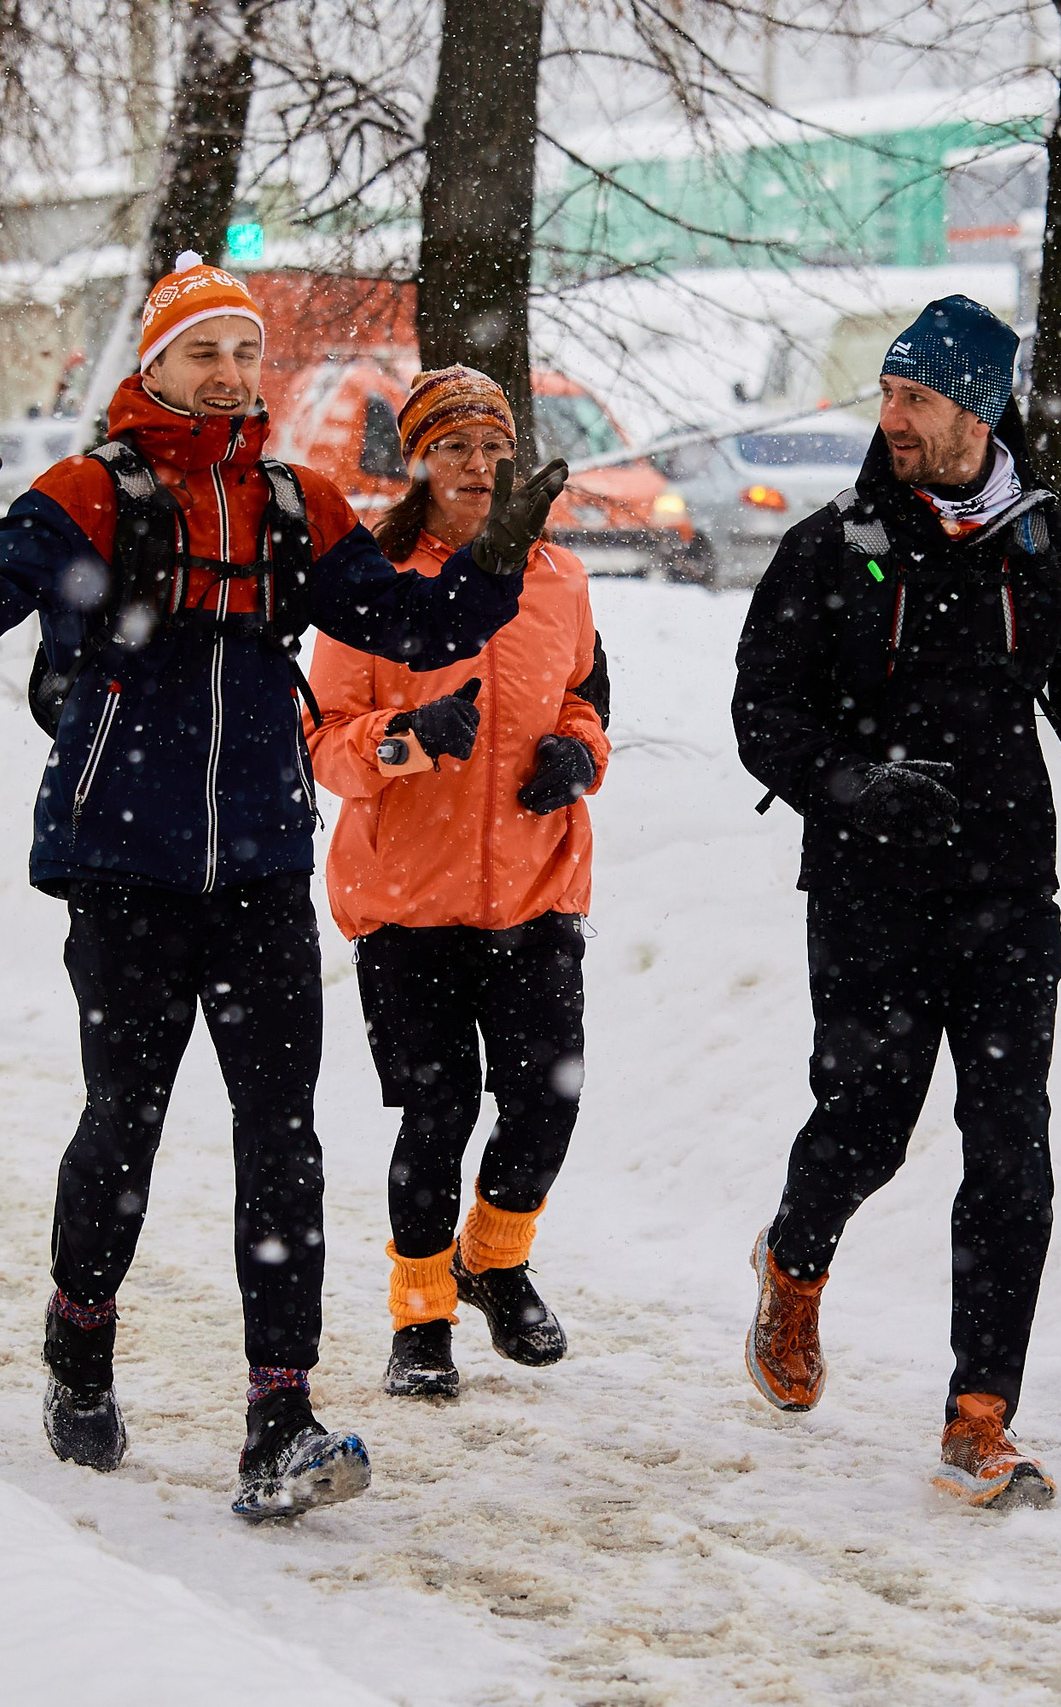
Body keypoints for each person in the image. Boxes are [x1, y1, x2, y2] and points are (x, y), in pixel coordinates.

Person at [0, 255, 567, 1520]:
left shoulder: (297, 504)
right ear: (152, 365)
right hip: (125, 870)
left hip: (258, 868)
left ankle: (281, 1416)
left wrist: (497, 559)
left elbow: (413, 633)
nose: (230, 374)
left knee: (284, 1145)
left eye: (247, 354)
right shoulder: (88, 493)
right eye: (204, 352)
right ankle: (78, 1345)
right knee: (123, 1128)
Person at [731, 295, 1061, 1509]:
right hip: (869, 890)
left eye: (915, 401)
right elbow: (760, 714)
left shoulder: (1040, 547)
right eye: (885, 397)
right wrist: (850, 783)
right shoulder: (830, 545)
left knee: (1010, 1152)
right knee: (870, 1121)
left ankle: (979, 1418)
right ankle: (795, 1258)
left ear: (978, 412)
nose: (891, 421)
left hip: (1002, 889)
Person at [304, 367, 610, 1401]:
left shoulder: (559, 578)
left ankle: (495, 1257)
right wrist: (406, 741)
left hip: (536, 890)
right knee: (434, 1115)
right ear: (418, 461)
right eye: (454, 448)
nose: (478, 468)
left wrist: (578, 755)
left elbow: (583, 700)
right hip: (409, 902)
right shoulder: (371, 585)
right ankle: (420, 1316)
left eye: (493, 448)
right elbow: (324, 743)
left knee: (543, 1105)